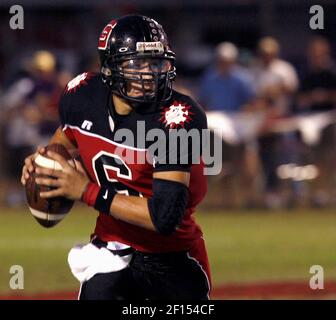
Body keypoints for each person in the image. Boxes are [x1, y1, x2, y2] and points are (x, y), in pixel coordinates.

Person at [21, 15, 211, 300]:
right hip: (111, 249)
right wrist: (44, 161)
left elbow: (164, 217)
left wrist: (85, 190)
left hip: (173, 257)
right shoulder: (82, 94)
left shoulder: (178, 116)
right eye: (137, 64)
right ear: (110, 67)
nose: (148, 75)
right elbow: (65, 139)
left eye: (155, 63)